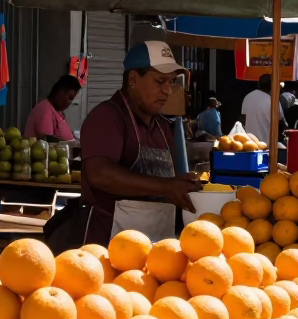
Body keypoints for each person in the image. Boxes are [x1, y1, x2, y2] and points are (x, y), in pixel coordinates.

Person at [79, 41, 198, 245]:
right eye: (160, 82)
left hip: (158, 246)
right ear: (133, 79)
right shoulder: (107, 117)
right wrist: (166, 186)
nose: (168, 91)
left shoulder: (162, 126)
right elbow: (99, 174)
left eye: (171, 82)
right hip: (110, 244)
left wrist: (184, 185)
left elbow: (170, 183)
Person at [24, 75, 81, 141]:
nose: (70, 102)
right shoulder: (45, 110)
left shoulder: (57, 111)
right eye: (70, 98)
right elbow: (45, 141)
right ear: (60, 91)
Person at [241, 74, 285, 143]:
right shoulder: (273, 101)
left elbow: (243, 120)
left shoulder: (248, 97)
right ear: (272, 85)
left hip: (250, 143)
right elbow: (280, 123)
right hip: (267, 144)